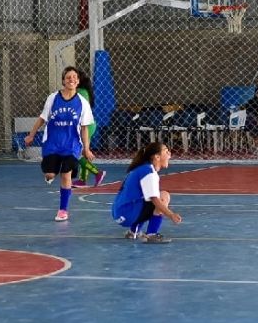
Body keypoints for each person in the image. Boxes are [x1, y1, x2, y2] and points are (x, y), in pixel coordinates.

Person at [25, 66, 95, 221]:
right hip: (52, 144)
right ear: (63, 81)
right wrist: (31, 135)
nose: (71, 79)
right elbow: (42, 118)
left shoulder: (82, 103)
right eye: (68, 77)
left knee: (66, 174)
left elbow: (84, 128)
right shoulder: (53, 98)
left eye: (74, 77)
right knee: (50, 173)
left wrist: (86, 148)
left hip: (72, 145)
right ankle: (50, 174)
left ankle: (63, 210)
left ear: (78, 81)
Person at [111, 142, 182, 243]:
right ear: (157, 157)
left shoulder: (142, 168)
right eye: (166, 152)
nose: (169, 154)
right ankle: (152, 234)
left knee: (147, 198)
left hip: (120, 213)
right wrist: (171, 215)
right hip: (127, 214)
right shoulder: (148, 172)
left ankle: (133, 232)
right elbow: (155, 200)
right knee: (164, 196)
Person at [72, 70, 106, 188]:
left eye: (73, 77)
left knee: (76, 153)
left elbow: (79, 111)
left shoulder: (80, 93)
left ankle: (97, 173)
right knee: (83, 153)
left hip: (84, 126)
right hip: (87, 124)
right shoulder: (84, 92)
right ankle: (82, 180)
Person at [241, 86, 258, 153]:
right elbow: (249, 111)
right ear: (255, 93)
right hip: (254, 120)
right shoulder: (251, 101)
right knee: (252, 120)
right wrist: (257, 115)